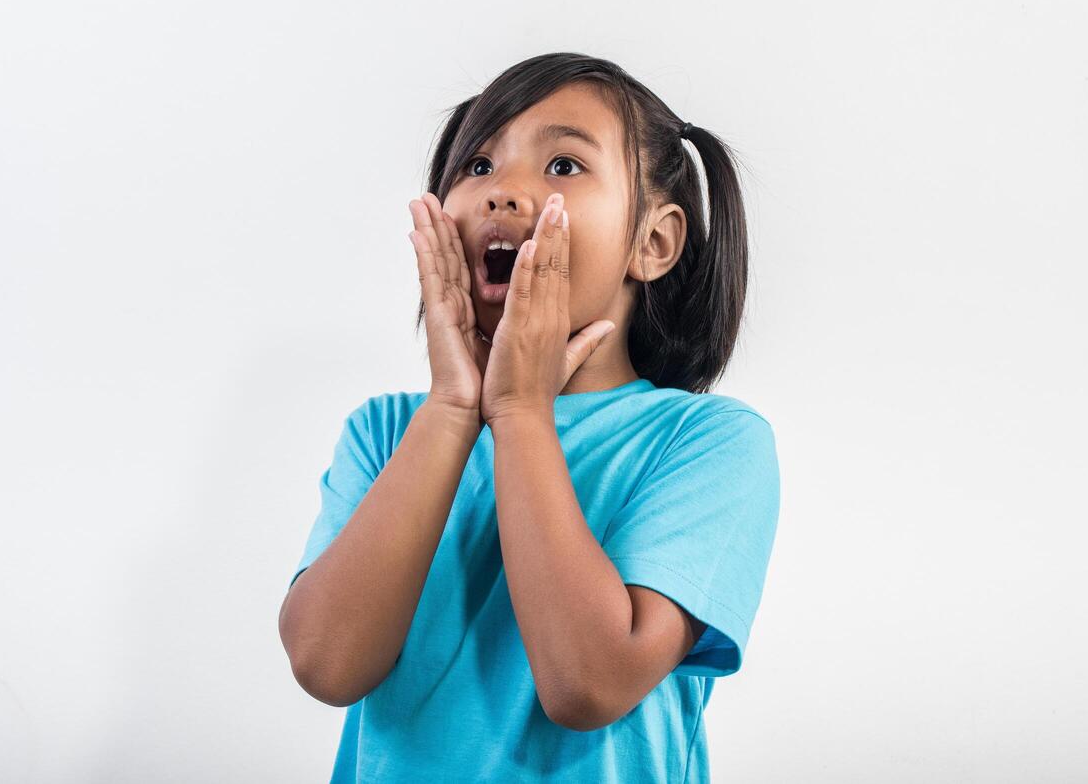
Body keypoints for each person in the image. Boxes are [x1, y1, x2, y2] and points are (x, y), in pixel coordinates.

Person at [278, 51, 781, 782]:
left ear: (653, 242)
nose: (502, 191)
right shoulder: (385, 431)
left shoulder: (706, 443)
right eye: (477, 166)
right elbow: (326, 663)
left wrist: (518, 410)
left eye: (564, 166)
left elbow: (588, 682)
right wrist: (454, 406)